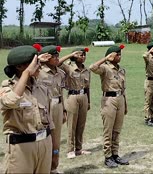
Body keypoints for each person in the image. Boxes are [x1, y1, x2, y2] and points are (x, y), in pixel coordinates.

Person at [1, 45, 54, 173]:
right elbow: (12, 100)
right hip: (21, 148)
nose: (39, 66)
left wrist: (55, 150)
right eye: (35, 63)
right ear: (19, 67)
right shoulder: (7, 88)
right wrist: (26, 73)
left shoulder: (40, 87)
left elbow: (49, 120)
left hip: (44, 144)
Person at [90, 44, 129, 168]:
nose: (119, 56)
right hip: (109, 100)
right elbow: (92, 67)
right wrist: (106, 58)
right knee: (108, 130)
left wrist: (125, 104)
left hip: (120, 99)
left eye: (120, 54)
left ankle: (115, 154)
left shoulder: (121, 70)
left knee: (117, 130)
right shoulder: (105, 68)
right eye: (117, 54)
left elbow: (123, 89)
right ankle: (107, 157)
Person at [37, 45, 67, 173]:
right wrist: (38, 61)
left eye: (57, 56)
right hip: (45, 108)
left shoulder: (60, 73)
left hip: (58, 107)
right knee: (44, 139)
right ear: (45, 59)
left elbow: (61, 93)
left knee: (56, 139)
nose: (56, 59)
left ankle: (54, 167)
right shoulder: (38, 73)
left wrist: (64, 110)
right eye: (53, 57)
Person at [58, 47, 91, 159]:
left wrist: (89, 101)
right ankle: (70, 149)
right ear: (75, 56)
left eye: (84, 55)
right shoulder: (69, 67)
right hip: (72, 96)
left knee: (81, 124)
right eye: (81, 55)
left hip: (84, 96)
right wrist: (70, 54)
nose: (83, 57)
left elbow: (88, 87)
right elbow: (58, 63)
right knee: (72, 124)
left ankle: (79, 148)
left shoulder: (86, 70)